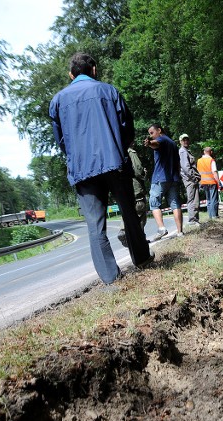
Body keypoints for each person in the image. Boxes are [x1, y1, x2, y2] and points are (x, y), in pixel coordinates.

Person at [49, 52, 153, 285]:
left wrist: (76, 156)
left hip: (82, 170)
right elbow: (127, 127)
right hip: (114, 162)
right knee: (129, 213)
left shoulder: (57, 100)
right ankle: (142, 258)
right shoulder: (109, 91)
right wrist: (119, 148)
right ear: (93, 70)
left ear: (70, 74)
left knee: (95, 226)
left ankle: (110, 278)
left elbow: (61, 140)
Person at [144, 123, 183, 240]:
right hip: (174, 178)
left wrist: (149, 143)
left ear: (159, 130)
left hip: (160, 178)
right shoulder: (173, 143)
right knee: (175, 204)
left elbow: (157, 144)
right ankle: (180, 232)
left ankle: (161, 229)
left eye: (152, 133)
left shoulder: (161, 139)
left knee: (153, 202)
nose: (151, 136)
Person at [117, 142, 148, 246]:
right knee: (140, 215)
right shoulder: (131, 152)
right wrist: (144, 173)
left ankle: (123, 229)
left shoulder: (116, 152)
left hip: (123, 190)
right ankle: (139, 240)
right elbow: (138, 170)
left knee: (128, 212)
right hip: (135, 189)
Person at [178, 133, 201, 226]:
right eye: (184, 140)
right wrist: (194, 177)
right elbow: (185, 167)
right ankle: (192, 220)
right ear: (180, 142)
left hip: (192, 179)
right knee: (192, 199)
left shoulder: (187, 151)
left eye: (187, 139)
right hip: (190, 179)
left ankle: (195, 219)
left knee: (195, 199)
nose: (186, 141)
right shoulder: (183, 151)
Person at [197, 146, 223, 219]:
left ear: (204, 152)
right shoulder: (211, 160)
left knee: (208, 200)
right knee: (213, 199)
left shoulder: (199, 161)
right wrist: (219, 183)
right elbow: (214, 173)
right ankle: (214, 216)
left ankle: (210, 217)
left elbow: (198, 173)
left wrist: (199, 183)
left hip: (203, 183)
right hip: (212, 182)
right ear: (211, 152)